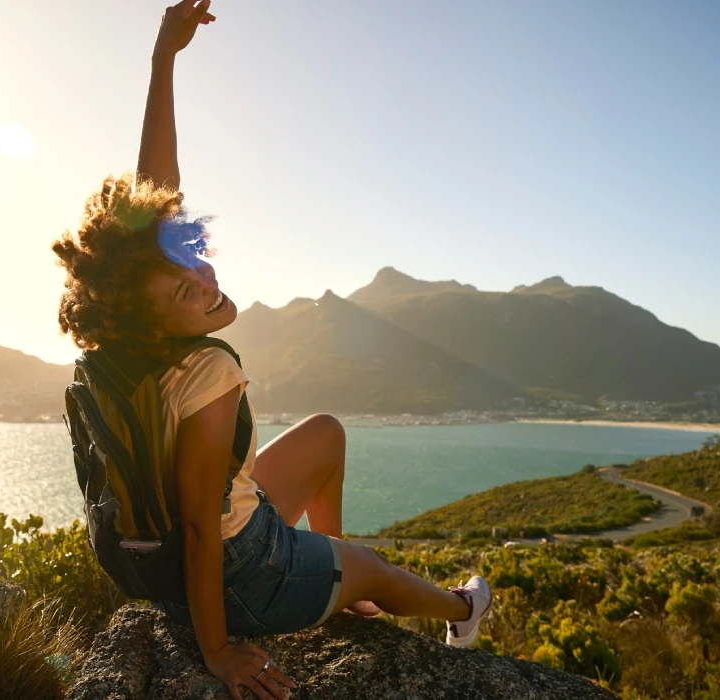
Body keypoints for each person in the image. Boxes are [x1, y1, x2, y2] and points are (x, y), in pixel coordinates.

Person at [51, 3, 492, 699]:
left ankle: (334, 571)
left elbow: (153, 194)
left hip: (172, 555)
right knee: (376, 567)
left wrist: (164, 58)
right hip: (234, 574)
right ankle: (464, 609)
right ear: (155, 316)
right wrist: (219, 649)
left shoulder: (120, 340)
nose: (203, 279)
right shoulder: (208, 370)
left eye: (189, 259)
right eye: (182, 290)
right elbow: (200, 527)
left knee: (325, 434)